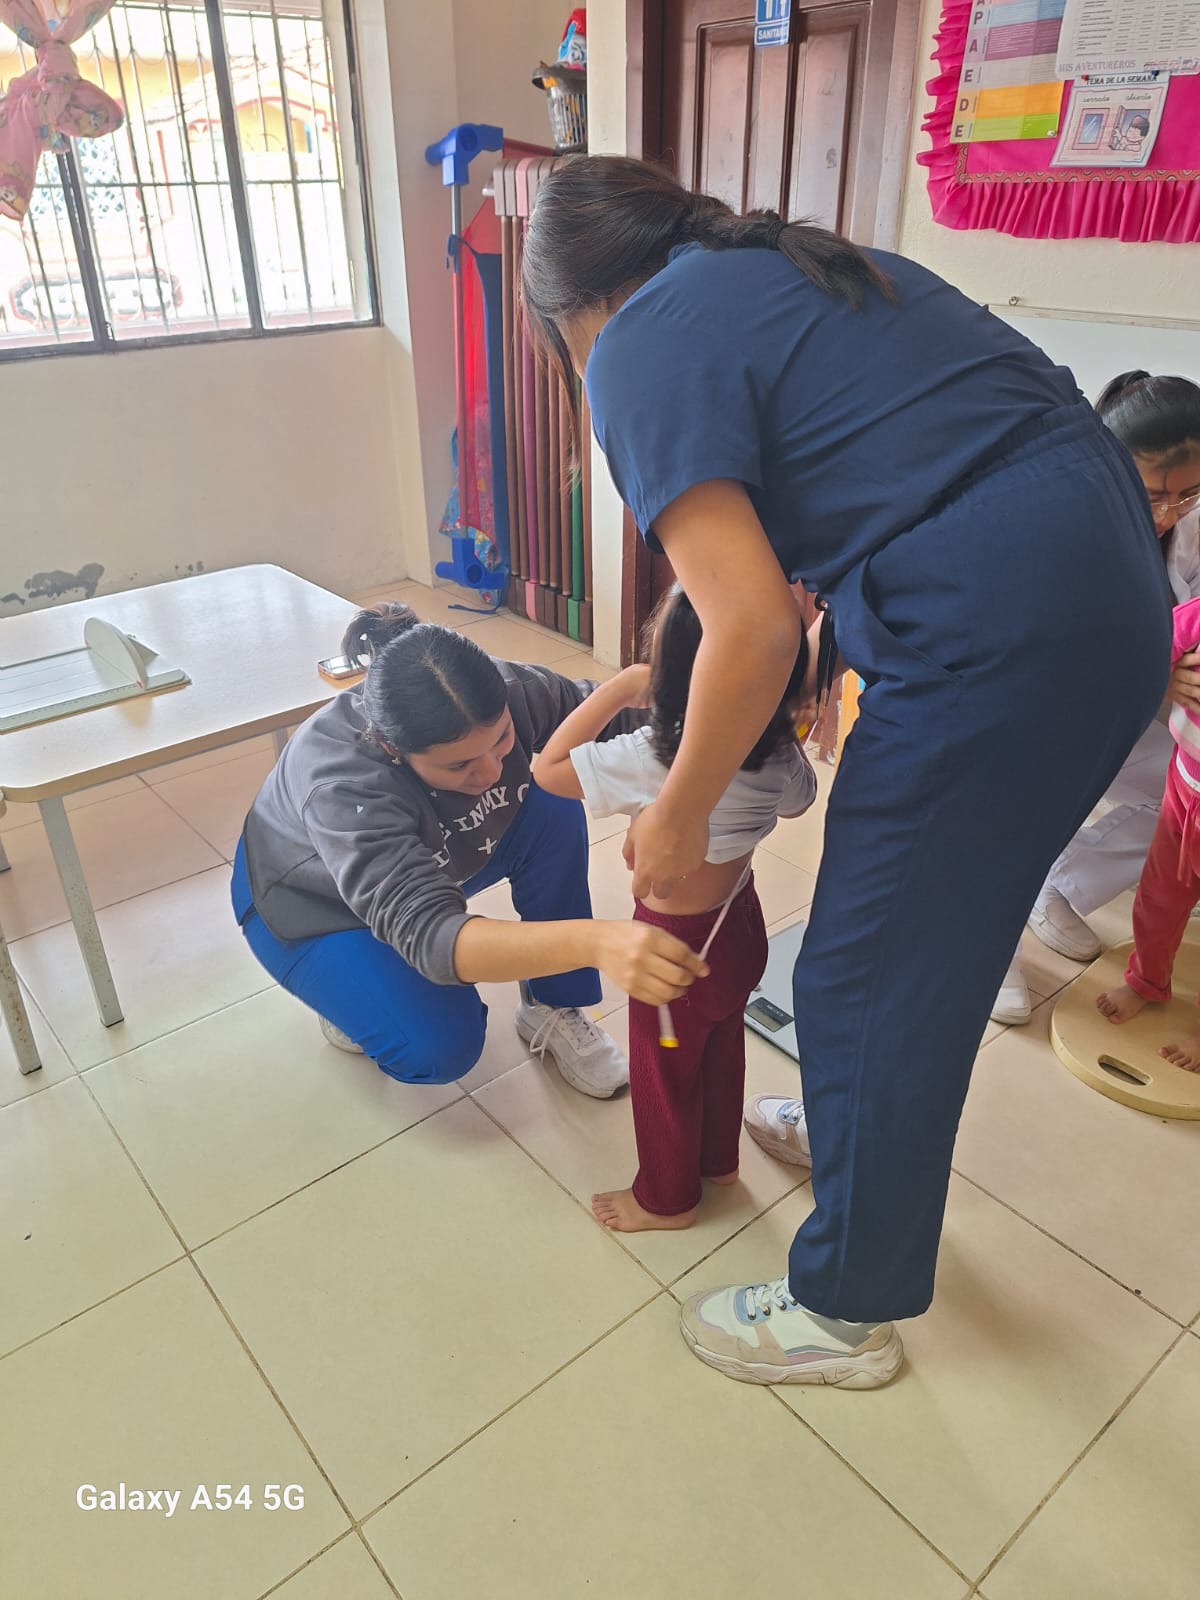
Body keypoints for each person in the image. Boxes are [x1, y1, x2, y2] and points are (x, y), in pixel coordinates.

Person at [521, 155, 1169, 1388]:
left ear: (569, 311)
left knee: (866, 972)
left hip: (1000, 626)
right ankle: (855, 1137)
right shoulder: (793, 266)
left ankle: (842, 1308)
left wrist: (679, 809)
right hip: (1100, 593)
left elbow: (751, 628)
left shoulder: (636, 344)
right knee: (924, 945)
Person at [231, 602, 706, 1095]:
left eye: (502, 740)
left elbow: (620, 724)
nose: (492, 771)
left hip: (433, 857)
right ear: (393, 750)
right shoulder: (344, 786)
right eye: (459, 766)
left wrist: (665, 800)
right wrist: (598, 942)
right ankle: (350, 1002)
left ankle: (552, 1001)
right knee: (440, 1047)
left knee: (550, 797)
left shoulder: (504, 691)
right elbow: (431, 933)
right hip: (314, 902)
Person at [534, 584, 818, 1234]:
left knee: (662, 1071)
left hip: (673, 949)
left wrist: (615, 691)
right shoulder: (778, 749)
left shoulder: (652, 756)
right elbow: (799, 802)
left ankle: (666, 1200)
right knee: (722, 1047)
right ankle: (719, 1164)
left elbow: (547, 769)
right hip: (741, 927)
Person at [994, 373, 1200, 1024]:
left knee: (1177, 801)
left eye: (1188, 494)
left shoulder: (1190, 524)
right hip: (1034, 708)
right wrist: (1155, 674)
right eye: (1156, 494)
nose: (1169, 513)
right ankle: (984, 951)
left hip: (1130, 710)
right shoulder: (1055, 517)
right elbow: (1037, 651)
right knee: (1013, 814)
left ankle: (1061, 886)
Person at [1097, 594, 1200, 1070]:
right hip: (1185, 785)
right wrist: (1166, 676)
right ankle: (1146, 981)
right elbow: (1153, 646)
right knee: (1159, 897)